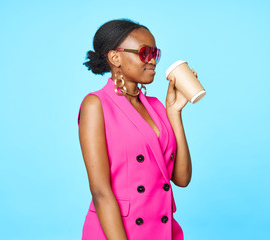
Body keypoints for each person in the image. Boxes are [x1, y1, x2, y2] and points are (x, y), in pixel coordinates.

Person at [78, 19, 196, 240]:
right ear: (115, 57)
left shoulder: (157, 107)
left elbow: (181, 178)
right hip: (117, 232)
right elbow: (100, 192)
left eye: (155, 53)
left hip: (162, 230)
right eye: (144, 53)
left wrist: (174, 111)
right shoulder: (96, 104)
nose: (153, 61)